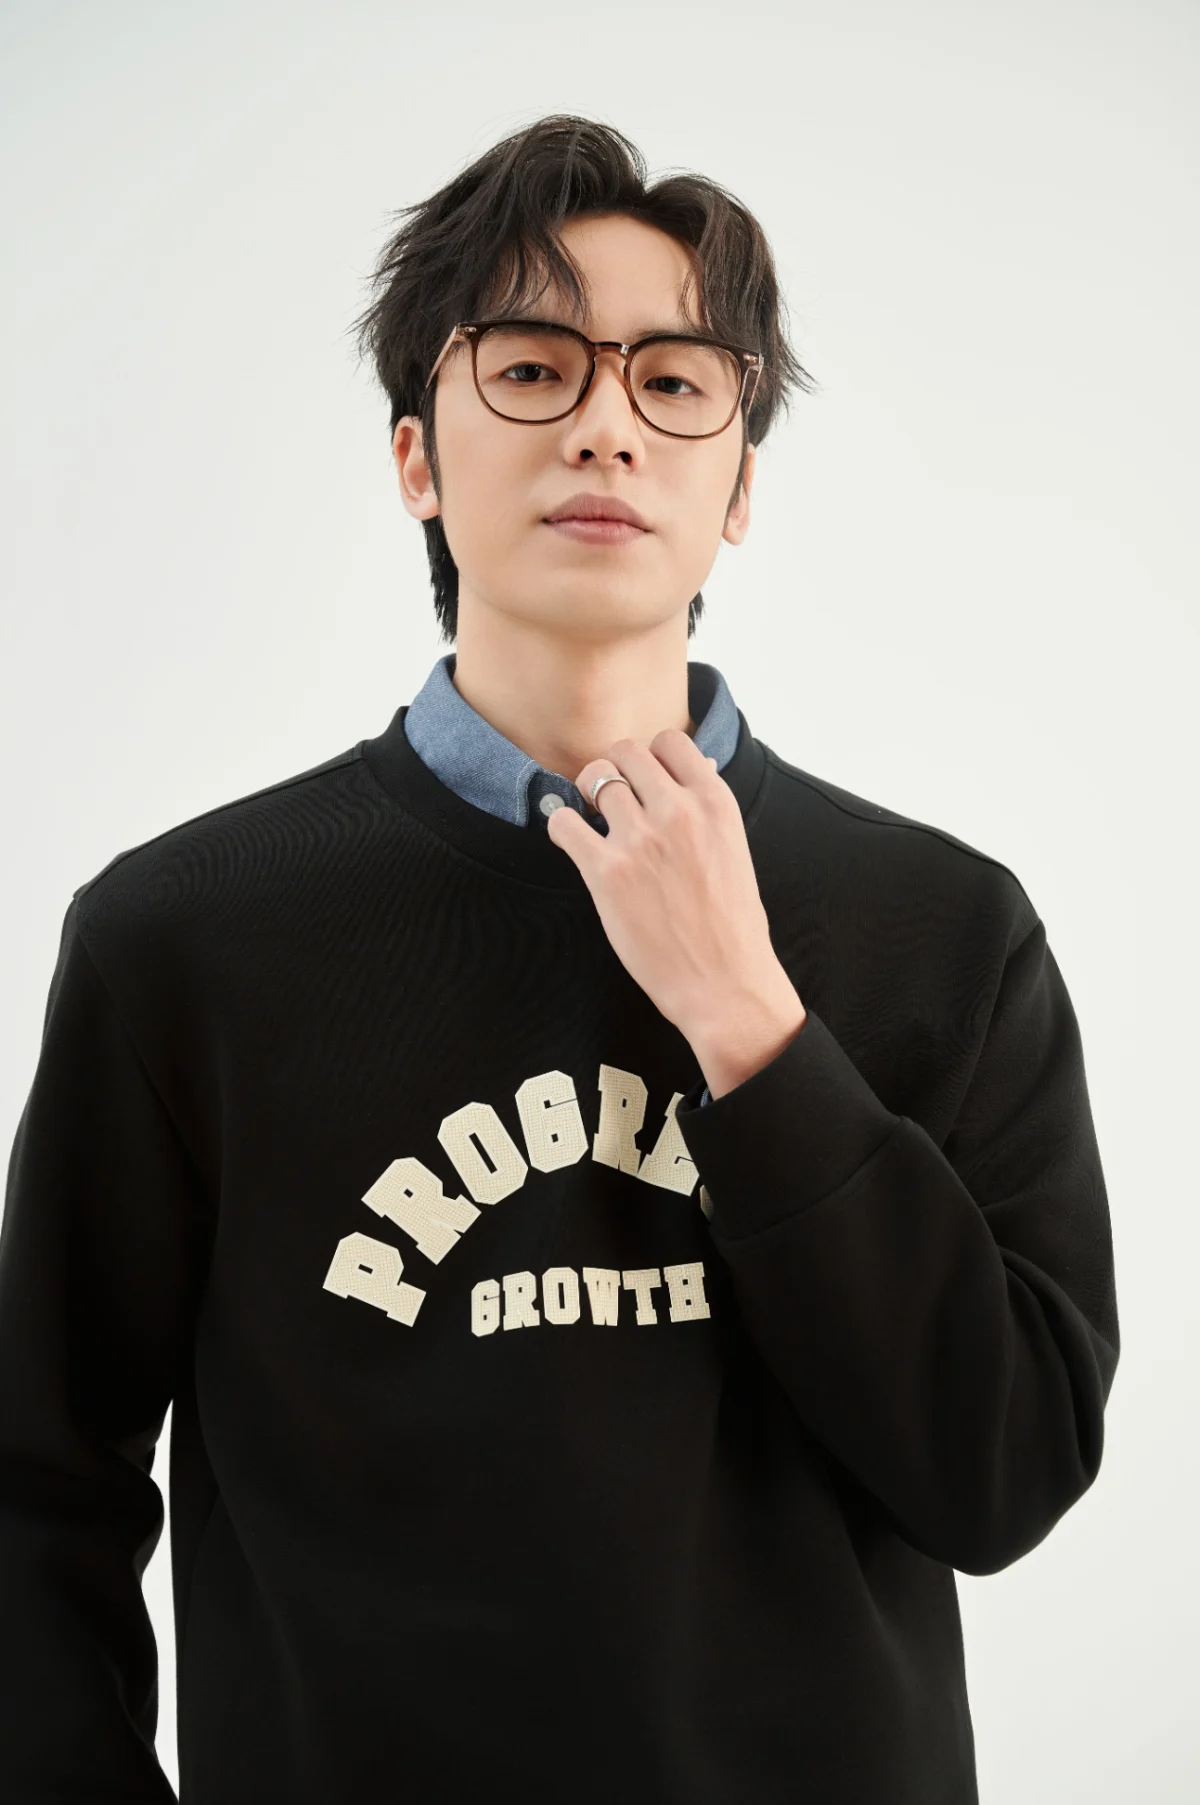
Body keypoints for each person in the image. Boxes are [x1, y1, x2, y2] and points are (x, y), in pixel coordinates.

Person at [0, 113, 1120, 1804]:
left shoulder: (945, 931)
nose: (606, 422)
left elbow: (1007, 1474)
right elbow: (39, 1493)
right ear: (415, 460)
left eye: (674, 381)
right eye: (532, 367)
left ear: (739, 488)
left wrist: (747, 1017)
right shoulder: (184, 939)